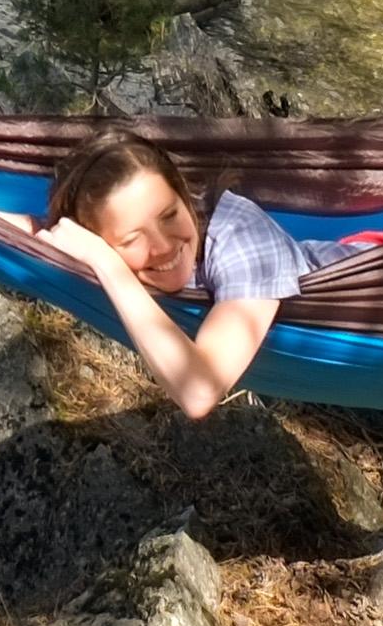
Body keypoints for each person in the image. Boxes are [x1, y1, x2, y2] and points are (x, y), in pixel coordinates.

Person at [30, 126, 332, 420]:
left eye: (170, 215)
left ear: (183, 194)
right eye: (133, 239)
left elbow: (199, 391)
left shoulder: (243, 236)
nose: (162, 246)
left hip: (374, 292)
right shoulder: (98, 246)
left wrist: (108, 266)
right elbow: (14, 233)